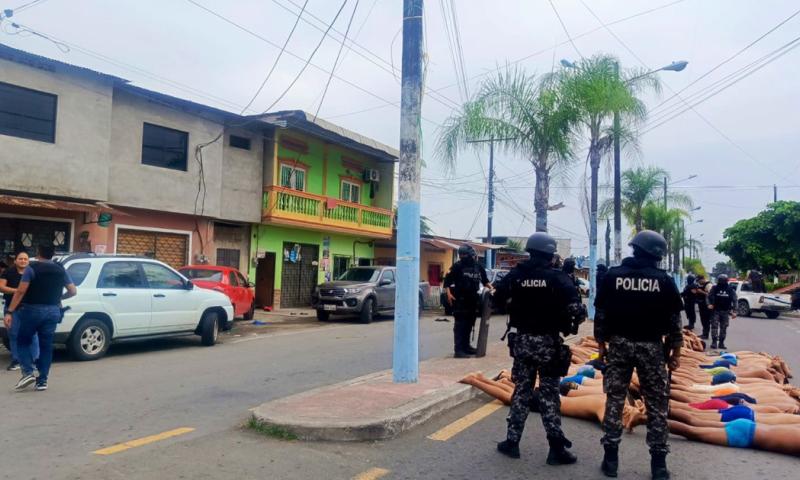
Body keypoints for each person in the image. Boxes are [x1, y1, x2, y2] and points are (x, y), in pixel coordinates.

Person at [594, 230, 684, 479]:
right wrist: (676, 352)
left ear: (635, 249)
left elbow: (601, 314)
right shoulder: (663, 280)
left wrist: (601, 347)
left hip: (619, 345)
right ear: (656, 254)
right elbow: (675, 322)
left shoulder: (613, 276)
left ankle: (610, 460)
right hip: (651, 348)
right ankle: (659, 466)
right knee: (656, 405)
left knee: (614, 400)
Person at [492, 232, 585, 465]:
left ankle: (511, 443)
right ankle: (556, 448)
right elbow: (577, 311)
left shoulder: (516, 275)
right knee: (549, 394)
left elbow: (496, 299)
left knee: (521, 392)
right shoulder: (559, 278)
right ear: (550, 254)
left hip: (523, 342)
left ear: (530, 251)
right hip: (548, 344)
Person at [4, 244, 76, 391]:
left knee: (22, 341)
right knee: (46, 346)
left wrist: (10, 311)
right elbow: (73, 291)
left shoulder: (31, 268)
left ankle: (28, 372)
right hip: (53, 311)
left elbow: (21, 291)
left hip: (32, 310)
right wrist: (59, 297)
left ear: (38, 253)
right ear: (53, 254)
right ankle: (42, 381)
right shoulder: (60, 269)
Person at [443, 244, 491, 358]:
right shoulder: (457, 266)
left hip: (473, 300)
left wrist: (493, 289)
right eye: (461, 255)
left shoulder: (478, 267)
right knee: (460, 325)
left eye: (465, 254)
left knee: (470, 324)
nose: (463, 257)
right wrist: (448, 294)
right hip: (460, 300)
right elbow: (447, 281)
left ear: (471, 255)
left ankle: (466, 346)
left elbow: (485, 282)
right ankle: (458, 350)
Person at [0, 252, 39, 371]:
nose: (23, 261)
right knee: (13, 335)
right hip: (12, 309)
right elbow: (1, 287)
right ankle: (16, 360)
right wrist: (18, 291)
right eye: (20, 259)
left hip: (29, 308)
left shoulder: (33, 272)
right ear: (15, 261)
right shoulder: (8, 272)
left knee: (32, 335)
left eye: (25, 259)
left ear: (28, 261)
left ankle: (35, 360)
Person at [708, 274, 737, 350]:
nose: (721, 282)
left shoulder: (730, 289)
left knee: (723, 327)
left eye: (722, 280)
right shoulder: (714, 288)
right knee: (714, 326)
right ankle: (714, 342)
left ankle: (721, 342)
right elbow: (708, 296)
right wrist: (709, 304)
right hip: (715, 310)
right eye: (720, 280)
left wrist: (735, 311)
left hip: (725, 311)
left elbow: (735, 300)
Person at [694, 275, 712, 339]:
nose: (699, 282)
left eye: (699, 281)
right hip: (701, 305)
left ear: (703, 279)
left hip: (706, 306)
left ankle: (705, 334)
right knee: (703, 320)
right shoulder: (701, 285)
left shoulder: (708, 285)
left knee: (706, 320)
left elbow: (710, 295)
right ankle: (704, 333)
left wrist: (701, 292)